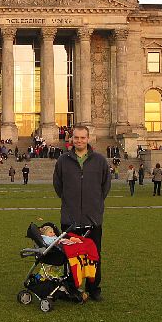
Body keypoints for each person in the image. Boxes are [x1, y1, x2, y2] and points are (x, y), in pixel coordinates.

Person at [53, 125, 110, 302]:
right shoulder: (63, 160)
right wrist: (70, 200)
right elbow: (58, 185)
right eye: (76, 138)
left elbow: (105, 186)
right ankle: (71, 287)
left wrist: (95, 203)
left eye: (82, 138)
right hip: (70, 218)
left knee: (94, 256)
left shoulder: (99, 160)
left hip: (92, 217)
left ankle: (94, 289)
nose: (79, 141)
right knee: (70, 256)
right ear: (71, 139)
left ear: (88, 139)